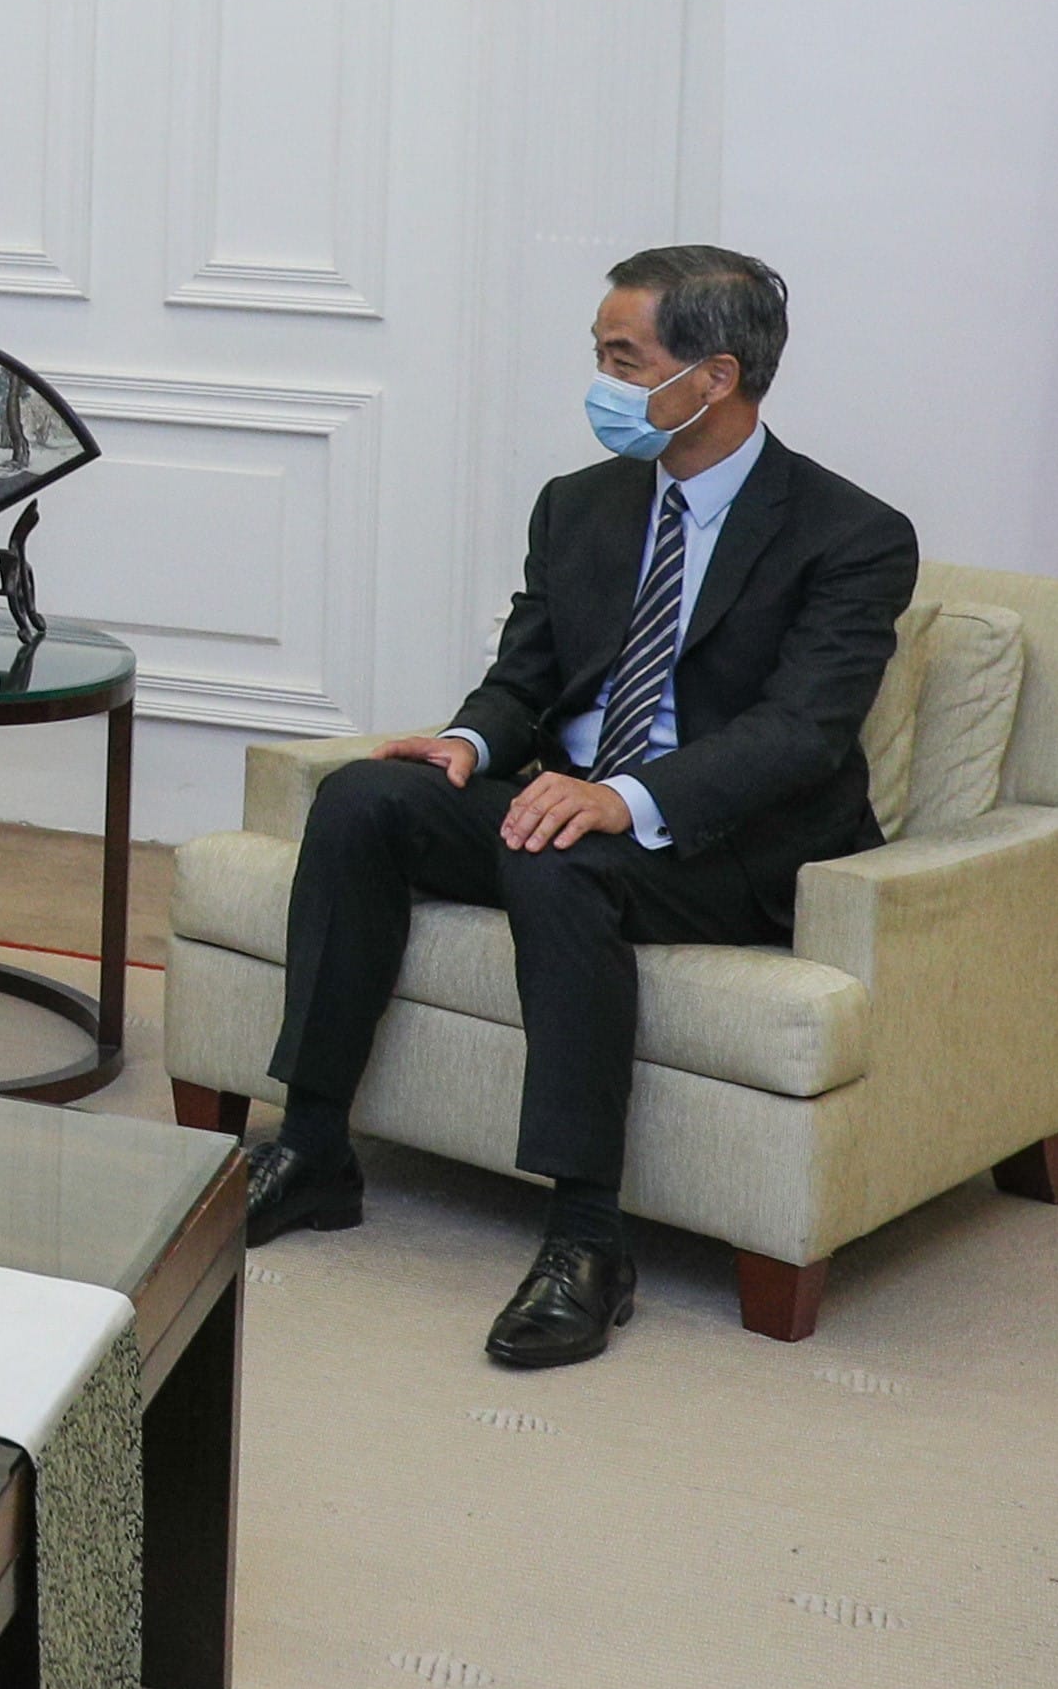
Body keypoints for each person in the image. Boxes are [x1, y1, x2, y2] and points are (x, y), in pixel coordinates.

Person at [245, 247, 915, 1368]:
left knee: (562, 857)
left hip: (722, 842)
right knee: (365, 798)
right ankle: (314, 1149)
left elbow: (801, 734)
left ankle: (588, 1240)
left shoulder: (850, 535)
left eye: (622, 357)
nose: (600, 380)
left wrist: (620, 797)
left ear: (714, 377)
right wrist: (464, 743)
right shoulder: (581, 506)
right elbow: (528, 677)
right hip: (577, 799)